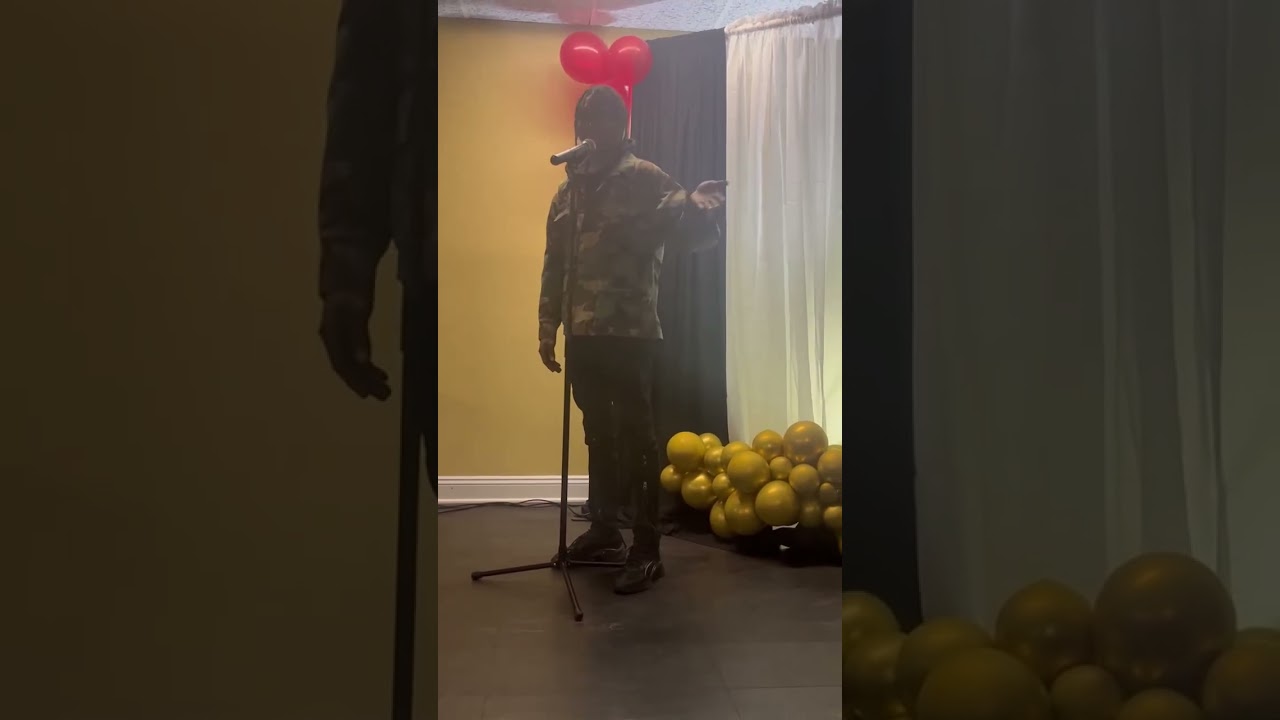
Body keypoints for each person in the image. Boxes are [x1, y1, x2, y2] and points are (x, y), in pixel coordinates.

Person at [540, 85, 727, 595]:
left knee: (637, 438)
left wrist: (700, 209)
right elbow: (554, 264)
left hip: (629, 332)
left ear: (619, 126)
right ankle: (604, 531)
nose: (590, 129)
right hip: (583, 333)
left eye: (601, 119)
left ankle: (646, 548)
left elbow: (690, 235)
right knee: (597, 432)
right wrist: (547, 326)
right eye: (584, 120)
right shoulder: (567, 191)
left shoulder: (645, 177)